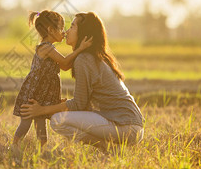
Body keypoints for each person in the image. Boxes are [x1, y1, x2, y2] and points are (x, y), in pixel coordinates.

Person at [21, 12, 144, 150]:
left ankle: (107, 148)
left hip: (126, 127)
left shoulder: (84, 59)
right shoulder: (93, 57)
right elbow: (83, 105)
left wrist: (42, 110)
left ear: (84, 34)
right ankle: (109, 148)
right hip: (132, 126)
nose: (66, 31)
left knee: (57, 121)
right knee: (60, 116)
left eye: (72, 26)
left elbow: (78, 104)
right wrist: (59, 105)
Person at [12, 10, 93, 147]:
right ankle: (14, 146)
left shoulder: (50, 48)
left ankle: (42, 150)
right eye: (61, 28)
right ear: (50, 30)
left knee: (41, 125)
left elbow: (65, 66)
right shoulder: (45, 48)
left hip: (40, 95)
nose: (64, 32)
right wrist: (80, 49)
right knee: (26, 123)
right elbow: (65, 62)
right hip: (32, 93)